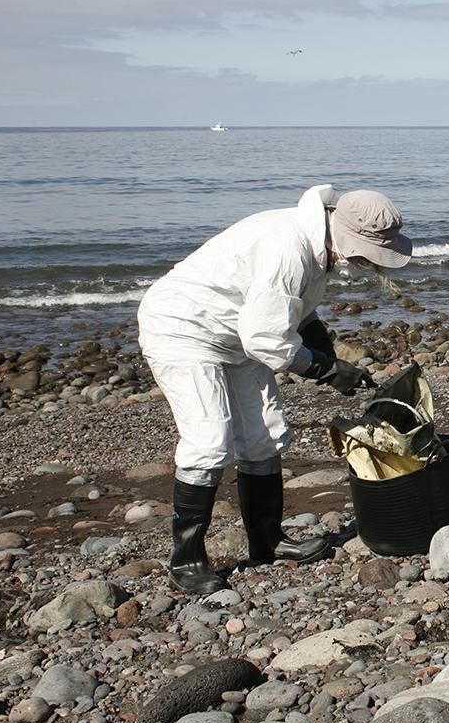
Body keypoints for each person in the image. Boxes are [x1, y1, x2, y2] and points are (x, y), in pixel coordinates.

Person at [138, 184, 412, 595]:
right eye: (363, 253)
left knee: (264, 436)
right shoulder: (288, 249)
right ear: (339, 229)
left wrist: (323, 346)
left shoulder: (316, 241)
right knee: (210, 441)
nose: (364, 263)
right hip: (185, 330)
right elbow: (265, 338)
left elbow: (293, 310)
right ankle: (187, 559)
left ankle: (267, 543)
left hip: (236, 331)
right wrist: (325, 369)